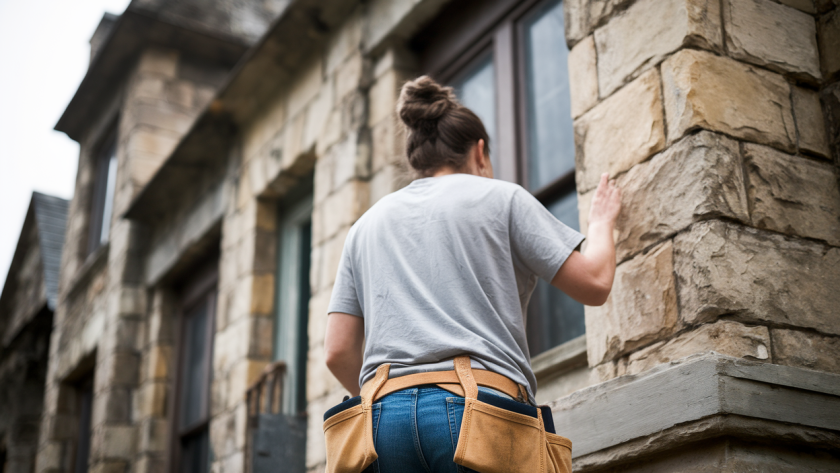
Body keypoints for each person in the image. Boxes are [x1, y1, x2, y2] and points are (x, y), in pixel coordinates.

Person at [324, 75, 621, 473]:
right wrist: (602, 223)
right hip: (476, 413)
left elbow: (338, 351)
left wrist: (393, 396)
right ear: (480, 152)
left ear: (419, 160)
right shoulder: (502, 197)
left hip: (381, 423)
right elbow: (595, 284)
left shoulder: (365, 226)